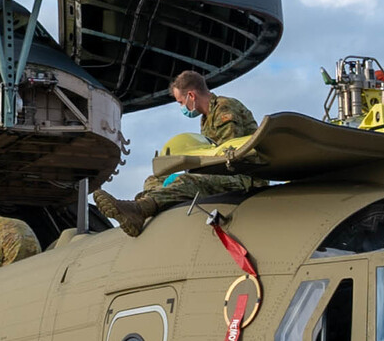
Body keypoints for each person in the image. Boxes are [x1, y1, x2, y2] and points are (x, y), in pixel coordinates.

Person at [93, 70, 260, 237]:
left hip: (242, 177)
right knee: (155, 180)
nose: (182, 107)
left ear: (191, 96)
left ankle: (140, 209)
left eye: (181, 102)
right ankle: (142, 208)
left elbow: (228, 155)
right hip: (222, 172)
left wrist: (191, 172)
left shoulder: (224, 108)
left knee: (186, 180)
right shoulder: (206, 117)